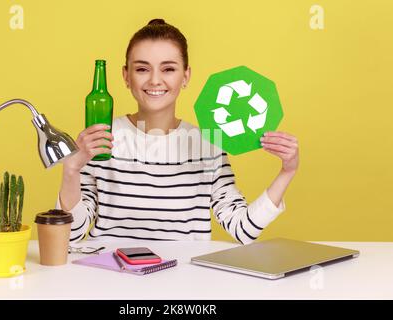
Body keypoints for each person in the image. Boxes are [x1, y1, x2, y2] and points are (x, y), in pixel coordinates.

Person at [56, 19, 299, 244]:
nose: (154, 80)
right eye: (142, 69)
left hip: (184, 283)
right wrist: (71, 168)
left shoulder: (208, 145)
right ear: (126, 76)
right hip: (112, 279)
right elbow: (71, 234)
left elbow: (243, 229)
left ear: (186, 76)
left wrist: (287, 171)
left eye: (168, 69)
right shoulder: (102, 138)